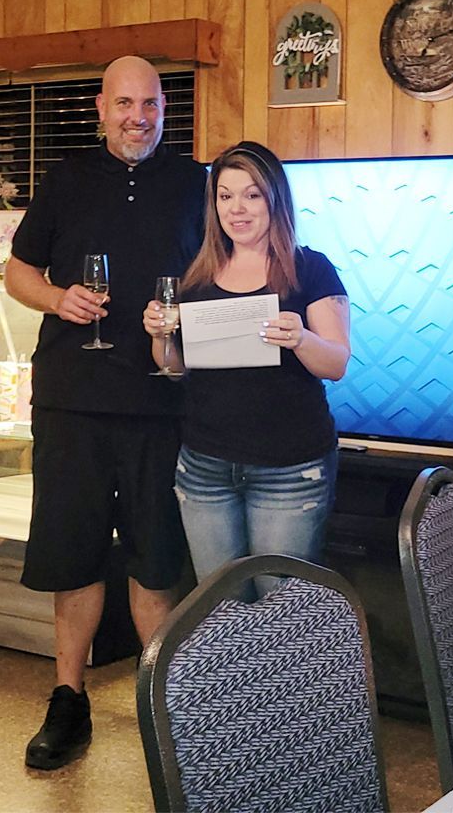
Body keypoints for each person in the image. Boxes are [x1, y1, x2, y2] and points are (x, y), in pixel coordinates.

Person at [4, 55, 206, 770]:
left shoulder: (196, 184)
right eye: (124, 103)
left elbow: (225, 276)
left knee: (156, 559)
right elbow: (17, 271)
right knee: (74, 551)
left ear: (162, 107)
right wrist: (59, 299)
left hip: (163, 399)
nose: (137, 117)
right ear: (100, 106)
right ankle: (69, 699)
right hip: (71, 400)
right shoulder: (66, 179)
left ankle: (161, 701)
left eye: (149, 103)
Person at [142, 140, 350, 584]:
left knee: (279, 613)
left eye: (251, 194)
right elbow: (175, 368)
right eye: (225, 195)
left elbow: (335, 363)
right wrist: (160, 336)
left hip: (290, 469)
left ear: (275, 199)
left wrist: (301, 338)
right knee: (219, 609)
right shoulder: (196, 278)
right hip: (204, 467)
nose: (237, 208)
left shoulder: (309, 268)